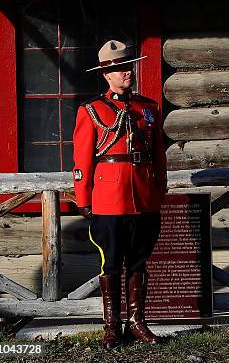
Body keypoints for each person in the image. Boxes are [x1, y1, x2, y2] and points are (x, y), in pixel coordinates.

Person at [73, 40, 167, 347]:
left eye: (128, 66)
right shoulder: (91, 111)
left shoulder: (148, 107)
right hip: (108, 199)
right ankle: (112, 327)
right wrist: (84, 198)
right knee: (110, 263)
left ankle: (138, 323)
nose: (127, 73)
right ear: (106, 74)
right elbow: (83, 160)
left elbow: (158, 155)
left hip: (144, 197)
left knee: (139, 262)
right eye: (119, 69)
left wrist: (158, 189)